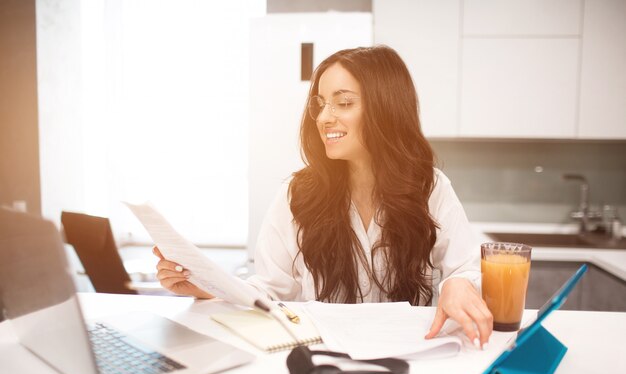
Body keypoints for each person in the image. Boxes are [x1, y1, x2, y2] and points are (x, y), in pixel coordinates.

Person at [154, 45, 493, 347]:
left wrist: (460, 282)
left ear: (386, 108)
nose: (324, 117)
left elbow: (465, 270)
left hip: (413, 358)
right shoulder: (297, 193)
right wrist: (208, 286)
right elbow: (271, 288)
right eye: (320, 104)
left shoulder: (430, 187)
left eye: (343, 102)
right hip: (322, 360)